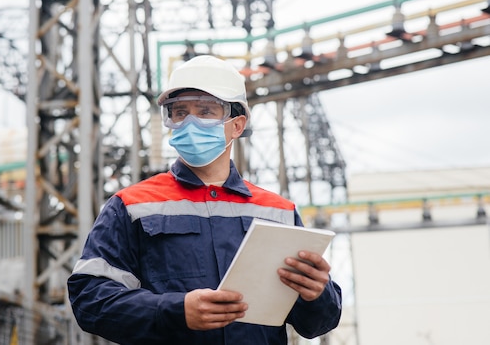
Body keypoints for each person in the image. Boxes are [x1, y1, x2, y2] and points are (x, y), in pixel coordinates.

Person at [67, 55, 342, 344]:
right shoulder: (131, 206)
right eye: (180, 112)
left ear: (237, 125)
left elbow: (316, 325)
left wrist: (317, 294)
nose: (190, 122)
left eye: (206, 111)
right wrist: (174, 311)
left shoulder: (278, 212)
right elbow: (89, 300)